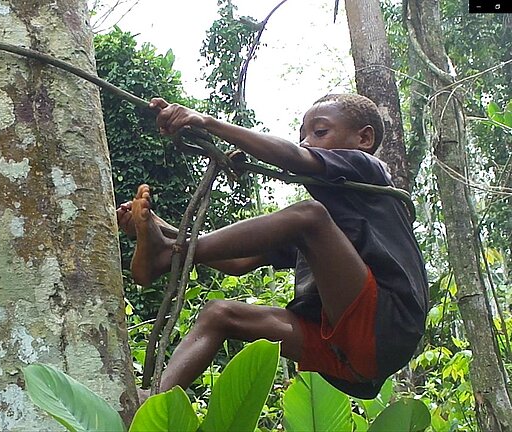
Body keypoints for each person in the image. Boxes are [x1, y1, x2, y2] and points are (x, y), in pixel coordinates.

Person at [117, 94, 429, 399]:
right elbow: (237, 262)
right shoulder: (325, 240)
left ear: (364, 138)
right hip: (348, 361)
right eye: (302, 136)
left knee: (309, 215)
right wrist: (156, 227)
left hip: (387, 326)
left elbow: (294, 157)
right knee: (220, 314)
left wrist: (206, 122)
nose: (307, 142)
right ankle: (152, 399)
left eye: (319, 132)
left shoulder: (371, 171)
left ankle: (168, 253)